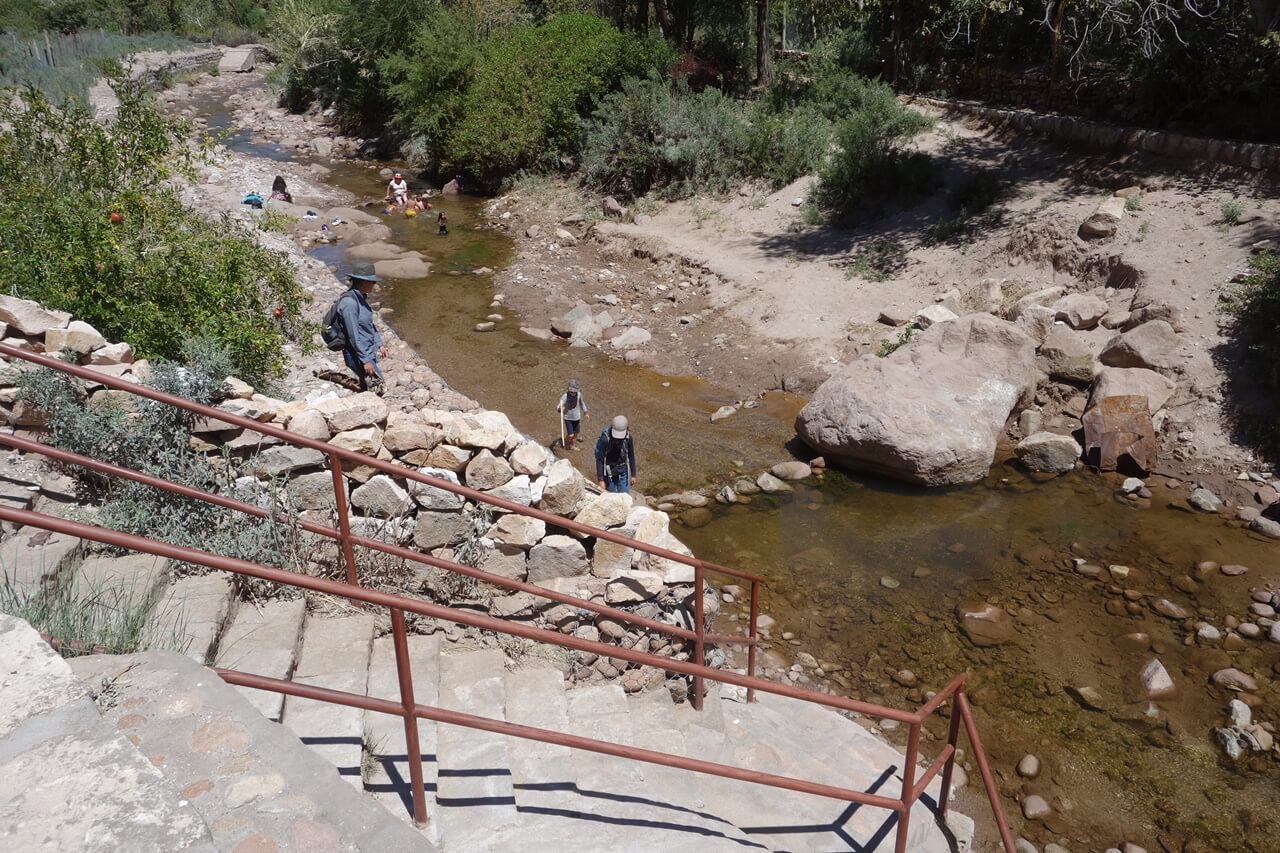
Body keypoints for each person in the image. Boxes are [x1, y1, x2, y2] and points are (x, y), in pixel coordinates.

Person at [336, 263, 388, 393]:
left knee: (369, 386)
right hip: (358, 355)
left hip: (368, 350)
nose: (374, 284)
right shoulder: (350, 304)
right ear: (364, 282)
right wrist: (365, 361)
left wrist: (379, 344)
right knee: (379, 388)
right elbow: (353, 336)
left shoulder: (361, 299)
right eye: (373, 282)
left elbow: (369, 325)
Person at [594, 415, 637, 494]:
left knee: (624, 494)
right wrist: (601, 479)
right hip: (609, 471)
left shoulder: (628, 438)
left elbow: (631, 456)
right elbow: (599, 460)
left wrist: (633, 475)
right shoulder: (605, 439)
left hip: (623, 470)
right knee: (612, 494)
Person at [557, 379, 589, 450]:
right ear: (569, 390)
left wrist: (586, 412)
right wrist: (559, 408)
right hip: (568, 418)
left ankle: (573, 445)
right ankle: (565, 442)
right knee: (571, 434)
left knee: (576, 433)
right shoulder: (565, 396)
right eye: (572, 392)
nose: (573, 393)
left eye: (575, 392)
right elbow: (559, 405)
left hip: (577, 417)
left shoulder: (579, 394)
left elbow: (582, 403)